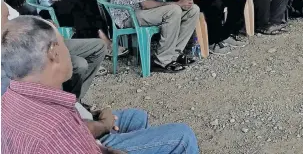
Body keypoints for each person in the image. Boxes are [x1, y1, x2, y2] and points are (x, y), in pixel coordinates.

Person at [1, 16, 200, 154]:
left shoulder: (11, 97)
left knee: (135, 118)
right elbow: (67, 135)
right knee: (182, 135)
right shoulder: (55, 126)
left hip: (81, 136)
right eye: (64, 43)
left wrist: (98, 122)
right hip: (86, 142)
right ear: (54, 52)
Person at [2, 1, 107, 102]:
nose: (9, 19)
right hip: (30, 50)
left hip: (38, 39)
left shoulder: (4, 8)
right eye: (5, 17)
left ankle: (74, 102)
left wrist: (43, 24)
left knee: (99, 46)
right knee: (80, 64)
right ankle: (69, 103)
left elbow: (20, 19)